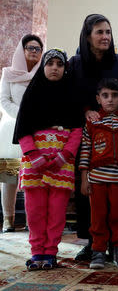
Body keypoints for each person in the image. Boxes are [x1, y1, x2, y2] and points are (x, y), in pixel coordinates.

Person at [69, 14, 118, 261]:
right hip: (87, 136)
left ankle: (117, 244)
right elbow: (69, 97)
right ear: (88, 36)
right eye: (99, 32)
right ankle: (93, 243)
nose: (105, 36)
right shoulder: (74, 64)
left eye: (108, 31)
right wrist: (86, 110)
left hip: (117, 137)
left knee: (117, 199)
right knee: (89, 194)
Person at [12, 48, 84, 270]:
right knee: (34, 213)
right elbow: (23, 128)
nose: (54, 68)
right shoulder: (32, 94)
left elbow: (77, 130)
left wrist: (64, 155)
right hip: (35, 165)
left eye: (59, 64)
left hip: (61, 164)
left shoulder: (72, 95)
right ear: (43, 67)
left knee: (56, 213)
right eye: (50, 63)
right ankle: (37, 253)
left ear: (65, 68)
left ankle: (50, 252)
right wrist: (34, 156)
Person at [79, 78, 118, 269]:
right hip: (96, 180)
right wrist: (84, 178)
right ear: (98, 99)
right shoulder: (92, 123)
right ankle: (97, 252)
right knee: (98, 216)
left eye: (114, 95)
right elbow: (85, 150)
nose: (110, 100)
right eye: (105, 95)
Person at [0, 34, 43, 232]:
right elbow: (4, 100)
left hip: (36, 130)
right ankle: (8, 219)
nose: (34, 52)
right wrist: (22, 115)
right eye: (30, 48)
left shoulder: (44, 73)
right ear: (22, 50)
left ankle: (30, 221)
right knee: (9, 177)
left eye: (38, 49)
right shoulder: (8, 73)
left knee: (33, 177)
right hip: (11, 128)